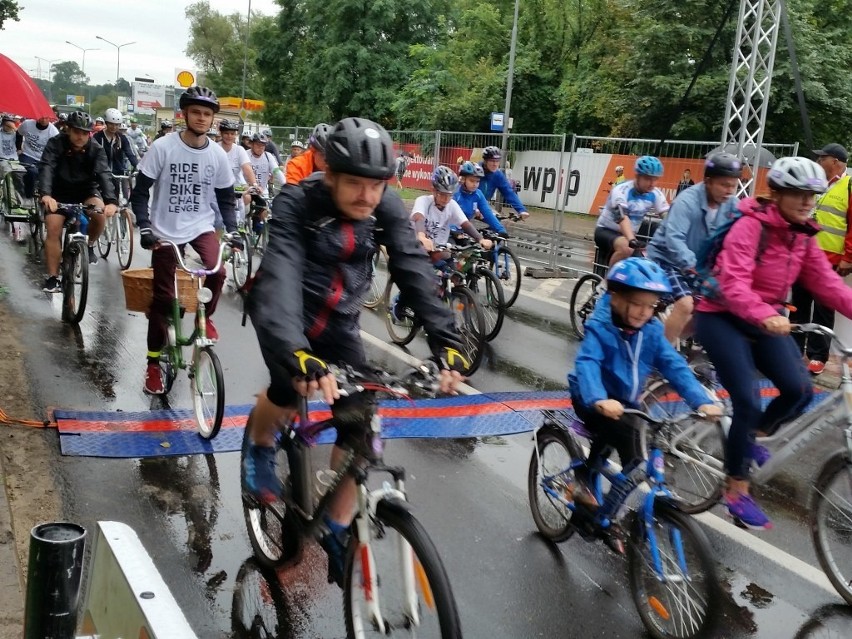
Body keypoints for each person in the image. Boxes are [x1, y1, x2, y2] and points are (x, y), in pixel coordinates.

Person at [244, 117, 470, 587]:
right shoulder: (297, 200)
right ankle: (260, 449)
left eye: (376, 186)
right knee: (289, 389)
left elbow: (411, 266)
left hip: (341, 323)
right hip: (290, 317)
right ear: (329, 175)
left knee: (362, 424)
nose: (367, 196)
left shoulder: (383, 203)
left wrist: (448, 343)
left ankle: (336, 527)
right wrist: (294, 352)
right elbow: (281, 275)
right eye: (354, 184)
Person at [694, 156, 852, 529]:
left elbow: (827, 284)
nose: (806, 202)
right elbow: (732, 282)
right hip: (721, 315)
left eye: (812, 195)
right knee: (747, 397)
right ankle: (736, 488)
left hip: (766, 317)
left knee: (798, 389)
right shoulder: (750, 227)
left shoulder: (802, 235)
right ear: (777, 193)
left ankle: (747, 437)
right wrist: (764, 314)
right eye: (797, 194)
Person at [568, 257, 720, 551]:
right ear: (615, 296)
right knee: (631, 449)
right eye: (637, 303)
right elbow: (587, 363)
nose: (644, 312)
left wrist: (700, 400)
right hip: (592, 398)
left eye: (651, 306)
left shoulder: (650, 330)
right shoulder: (601, 326)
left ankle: (599, 498)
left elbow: (673, 364)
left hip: (626, 403)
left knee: (630, 457)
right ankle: (600, 513)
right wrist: (598, 399)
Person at [129, 87, 241, 395]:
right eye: (196, 112)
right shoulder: (163, 148)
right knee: (163, 301)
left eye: (207, 114)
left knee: (217, 272)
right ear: (185, 114)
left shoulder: (217, 154)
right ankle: (152, 365)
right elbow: (139, 194)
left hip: (200, 226)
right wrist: (145, 227)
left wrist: (232, 230)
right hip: (164, 231)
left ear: (213, 120)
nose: (202, 118)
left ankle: (207, 320)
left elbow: (226, 198)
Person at [646, 153, 742, 343]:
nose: (730, 190)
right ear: (708, 181)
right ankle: (660, 355)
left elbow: (740, 239)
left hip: (697, 266)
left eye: (734, 185)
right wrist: (695, 267)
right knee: (686, 304)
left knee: (710, 306)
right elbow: (674, 239)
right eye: (724, 184)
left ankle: (678, 339)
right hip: (667, 260)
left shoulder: (733, 205)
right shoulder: (687, 201)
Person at [37, 111, 118, 291]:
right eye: (76, 132)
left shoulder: (96, 149)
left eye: (84, 133)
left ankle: (88, 246)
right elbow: (47, 168)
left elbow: (104, 174)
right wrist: (46, 194)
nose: (80, 136)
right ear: (68, 130)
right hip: (58, 193)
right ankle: (52, 277)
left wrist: (111, 201)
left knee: (100, 215)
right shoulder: (55, 144)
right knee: (53, 227)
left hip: (86, 191)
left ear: (89, 133)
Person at [790, 143, 852, 376]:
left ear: (835, 161)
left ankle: (818, 356)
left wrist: (848, 256)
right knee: (798, 305)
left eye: (821, 158)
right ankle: (794, 351)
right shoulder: (815, 184)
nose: (817, 163)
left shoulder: (848, 185)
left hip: (831, 260)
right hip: (803, 256)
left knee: (824, 311)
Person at [594, 155, 669, 266]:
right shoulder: (621, 190)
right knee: (627, 249)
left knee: (649, 264)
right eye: (648, 178)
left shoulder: (655, 193)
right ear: (637, 176)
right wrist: (631, 240)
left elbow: (668, 217)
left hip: (629, 235)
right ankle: (608, 282)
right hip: (606, 230)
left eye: (655, 179)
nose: (652, 183)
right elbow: (622, 217)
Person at [408, 165, 493, 263]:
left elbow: (464, 223)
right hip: (416, 248)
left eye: (450, 195)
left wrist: (481, 239)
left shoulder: (452, 204)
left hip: (438, 249)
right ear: (434, 190)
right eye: (442, 194)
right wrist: (422, 237)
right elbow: (419, 218)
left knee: (455, 270)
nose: (446, 199)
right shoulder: (423, 201)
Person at [92, 108, 138, 201]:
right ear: (106, 123)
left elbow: (130, 154)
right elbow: (92, 155)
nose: (114, 127)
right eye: (111, 124)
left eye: (117, 125)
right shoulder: (97, 137)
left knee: (123, 200)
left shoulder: (122, 138)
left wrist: (138, 166)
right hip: (101, 175)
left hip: (118, 174)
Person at [218, 119, 258, 219]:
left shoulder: (239, 150)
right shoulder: (215, 148)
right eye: (226, 133)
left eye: (232, 133)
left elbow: (247, 168)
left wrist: (254, 184)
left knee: (246, 198)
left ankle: (243, 223)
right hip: (219, 185)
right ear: (221, 133)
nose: (229, 136)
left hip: (237, 184)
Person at [452, 161, 506, 234]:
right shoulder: (455, 193)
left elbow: (487, 212)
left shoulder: (478, 194)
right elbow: (448, 215)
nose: (475, 184)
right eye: (472, 181)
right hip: (448, 231)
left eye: (477, 181)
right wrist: (454, 231)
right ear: (463, 179)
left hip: (464, 231)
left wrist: (501, 230)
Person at [478, 146, 529, 218]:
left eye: (497, 161)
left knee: (498, 223)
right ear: (485, 161)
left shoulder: (497, 175)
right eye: (492, 161)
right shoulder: (475, 171)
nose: (495, 164)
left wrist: (521, 210)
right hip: (468, 205)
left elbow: (508, 192)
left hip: (483, 207)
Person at [15, 115, 59, 199]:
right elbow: (18, 133)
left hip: (43, 158)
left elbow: (55, 150)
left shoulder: (53, 132)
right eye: (42, 117)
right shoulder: (27, 124)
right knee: (32, 172)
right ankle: (28, 196)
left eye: (46, 117)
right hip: (28, 154)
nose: (44, 119)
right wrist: (18, 148)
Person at [248, 133, 284, 198]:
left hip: (262, 192)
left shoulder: (268, 156)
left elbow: (277, 171)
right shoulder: (245, 154)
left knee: (265, 207)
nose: (261, 147)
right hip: (246, 191)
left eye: (263, 145)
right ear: (251, 144)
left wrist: (286, 185)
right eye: (258, 145)